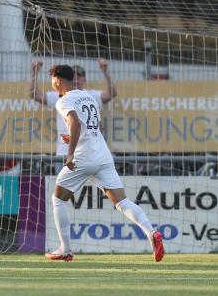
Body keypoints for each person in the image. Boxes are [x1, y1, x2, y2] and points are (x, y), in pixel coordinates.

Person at [44, 64, 163, 263]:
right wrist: (73, 138)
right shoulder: (88, 96)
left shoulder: (63, 101)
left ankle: (65, 248)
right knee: (122, 202)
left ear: (56, 80)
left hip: (83, 157)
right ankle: (151, 233)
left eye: (52, 82)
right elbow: (94, 127)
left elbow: (75, 123)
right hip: (103, 156)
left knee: (58, 200)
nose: (53, 85)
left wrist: (71, 153)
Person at [30, 58, 116, 157]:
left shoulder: (91, 95)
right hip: (64, 153)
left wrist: (106, 72)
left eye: (78, 77)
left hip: (86, 153)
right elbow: (35, 95)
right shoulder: (59, 96)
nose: (75, 80)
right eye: (72, 77)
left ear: (85, 79)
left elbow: (111, 94)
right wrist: (34, 73)